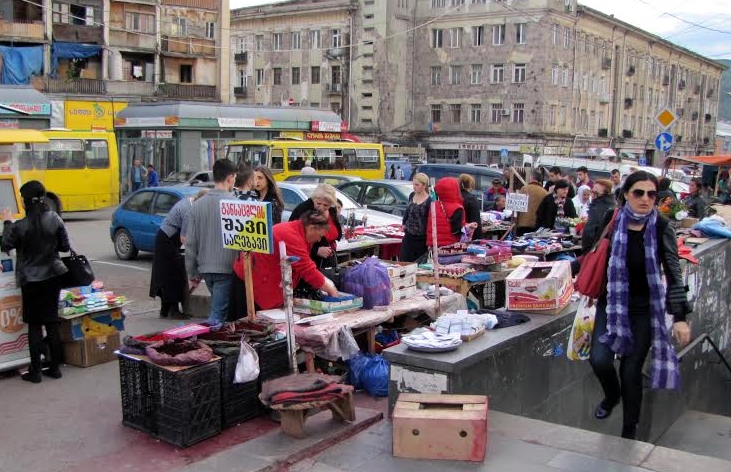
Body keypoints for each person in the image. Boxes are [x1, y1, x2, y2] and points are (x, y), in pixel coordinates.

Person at [584, 170, 691, 440]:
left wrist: (679, 316)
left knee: (631, 371)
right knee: (599, 360)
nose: (645, 199)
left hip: (644, 309)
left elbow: (673, 271)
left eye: (651, 194)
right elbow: (595, 252)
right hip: (612, 304)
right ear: (626, 195)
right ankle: (612, 396)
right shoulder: (613, 218)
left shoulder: (662, 226)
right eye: (638, 193)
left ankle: (628, 432)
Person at [1, 181, 70, 383]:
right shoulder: (55, 218)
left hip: (31, 279)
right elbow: (65, 246)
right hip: (53, 276)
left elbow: (5, 243)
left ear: (25, 201)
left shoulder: (20, 226)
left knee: (34, 325)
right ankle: (55, 368)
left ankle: (36, 372)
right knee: (51, 322)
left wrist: (6, 222)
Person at [185, 159, 238, 325]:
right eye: (234, 177)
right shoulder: (236, 205)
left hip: (206, 268)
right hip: (227, 268)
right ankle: (205, 344)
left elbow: (190, 243)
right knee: (217, 316)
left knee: (218, 309)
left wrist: (192, 272)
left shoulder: (198, 205)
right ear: (230, 178)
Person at [251, 210, 339, 310]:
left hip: (266, 279)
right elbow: (307, 270)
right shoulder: (291, 236)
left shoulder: (299, 230)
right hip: (254, 282)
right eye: (319, 236)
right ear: (311, 228)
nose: (319, 240)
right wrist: (330, 288)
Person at [150, 188, 208, 319]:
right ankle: (173, 310)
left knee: (166, 275)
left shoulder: (189, 202)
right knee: (174, 275)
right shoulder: (190, 210)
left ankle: (165, 309)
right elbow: (185, 239)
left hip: (166, 239)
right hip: (167, 241)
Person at [288, 184, 342, 268]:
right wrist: (315, 250)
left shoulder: (332, 209)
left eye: (326, 205)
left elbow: (335, 230)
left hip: (328, 259)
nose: (321, 207)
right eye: (318, 203)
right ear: (314, 199)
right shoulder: (304, 209)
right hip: (309, 259)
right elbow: (293, 238)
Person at [426, 177, 474, 248]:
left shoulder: (433, 205)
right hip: (449, 247)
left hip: (433, 245)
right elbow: (456, 231)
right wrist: (469, 226)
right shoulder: (457, 208)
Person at [400, 172, 432, 262]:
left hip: (421, 238)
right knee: (405, 261)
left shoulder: (429, 201)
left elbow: (430, 221)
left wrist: (430, 240)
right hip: (408, 235)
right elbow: (407, 210)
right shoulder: (411, 195)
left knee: (417, 264)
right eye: (413, 184)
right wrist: (403, 223)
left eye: (417, 185)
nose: (414, 187)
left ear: (424, 185)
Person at [581, 178, 616, 253]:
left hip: (594, 248)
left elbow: (590, 231)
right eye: (592, 192)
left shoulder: (598, 207)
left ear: (606, 193)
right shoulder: (613, 205)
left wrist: (586, 249)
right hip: (605, 247)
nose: (592, 195)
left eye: (596, 193)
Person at [516, 171, 548, 235]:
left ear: (532, 178)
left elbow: (517, 206)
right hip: (536, 225)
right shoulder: (545, 192)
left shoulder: (524, 188)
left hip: (522, 224)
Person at [459, 174, 482, 240]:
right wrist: (479, 239)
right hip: (469, 234)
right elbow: (475, 220)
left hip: (456, 232)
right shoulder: (472, 199)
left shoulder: (455, 196)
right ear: (471, 185)